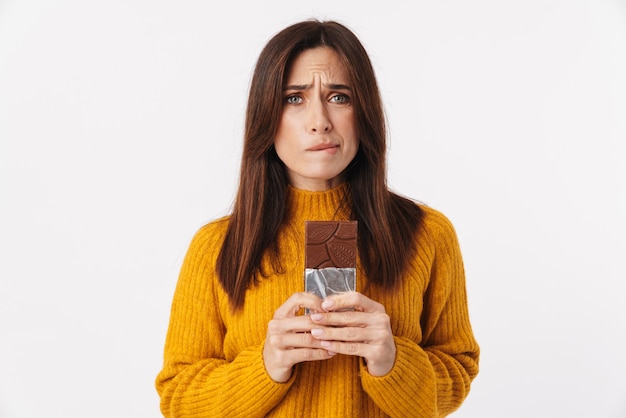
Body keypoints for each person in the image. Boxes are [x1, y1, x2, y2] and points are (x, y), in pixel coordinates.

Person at [155, 19, 479, 417]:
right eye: (294, 98)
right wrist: (265, 366)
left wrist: (393, 361)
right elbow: (178, 399)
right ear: (266, 118)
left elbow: (458, 370)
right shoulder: (217, 246)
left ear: (364, 111)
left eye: (339, 97)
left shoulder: (428, 234)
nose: (319, 120)